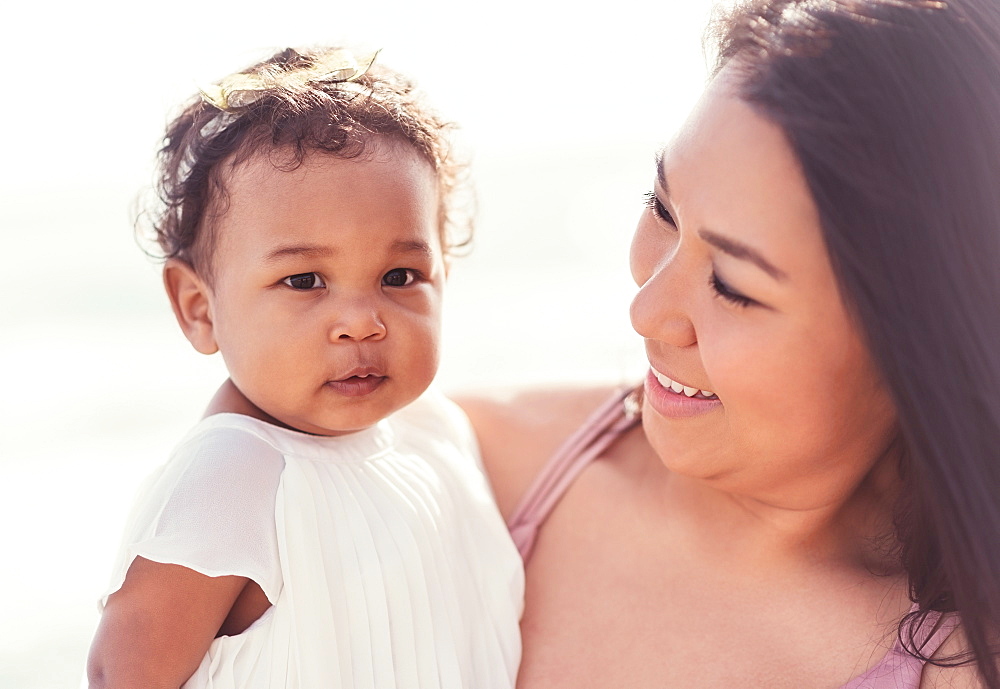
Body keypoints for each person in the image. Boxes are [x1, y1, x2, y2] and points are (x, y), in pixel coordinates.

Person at [458, 0, 1000, 687]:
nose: (645, 310)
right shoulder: (474, 469)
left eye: (733, 284)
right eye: (661, 208)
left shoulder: (960, 664)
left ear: (919, 344)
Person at [86, 47, 522, 689]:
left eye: (399, 276)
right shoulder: (235, 476)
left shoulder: (435, 434)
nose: (361, 321)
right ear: (200, 308)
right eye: (305, 280)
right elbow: (122, 676)